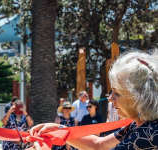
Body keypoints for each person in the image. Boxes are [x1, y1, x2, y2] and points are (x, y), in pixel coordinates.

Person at [29, 50, 158, 150]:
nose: (111, 98)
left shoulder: (149, 134)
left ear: (140, 97)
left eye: (117, 93)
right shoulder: (139, 123)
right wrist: (59, 129)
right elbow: (98, 145)